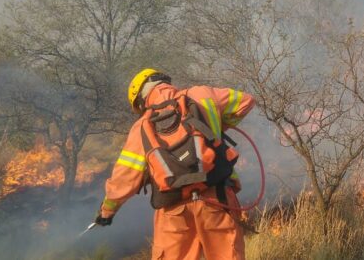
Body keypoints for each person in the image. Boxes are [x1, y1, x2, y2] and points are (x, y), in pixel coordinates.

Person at [94, 68, 255, 260]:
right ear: (164, 81)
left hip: (173, 211)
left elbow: (124, 179)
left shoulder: (141, 127)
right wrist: (215, 128)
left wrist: (107, 212)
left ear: (141, 101)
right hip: (217, 197)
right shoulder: (202, 95)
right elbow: (246, 101)